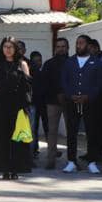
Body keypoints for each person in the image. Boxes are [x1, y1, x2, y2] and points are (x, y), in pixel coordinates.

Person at [61, 34, 102, 174]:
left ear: (88, 45)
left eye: (81, 43)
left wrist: (89, 96)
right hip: (72, 102)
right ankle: (71, 161)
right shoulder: (69, 61)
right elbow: (64, 81)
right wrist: (70, 95)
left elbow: (100, 83)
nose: (78, 45)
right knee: (72, 132)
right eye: (77, 43)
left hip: (90, 103)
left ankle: (92, 161)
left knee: (91, 131)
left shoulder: (96, 62)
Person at [0, 36, 33, 179]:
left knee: (17, 140)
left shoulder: (22, 64)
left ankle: (16, 169)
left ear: (15, 49)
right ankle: (4, 169)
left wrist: (26, 107)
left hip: (18, 106)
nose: (8, 49)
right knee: (2, 139)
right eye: (5, 47)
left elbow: (28, 88)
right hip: (1, 106)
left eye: (10, 47)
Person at [39, 38, 70, 170]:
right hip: (52, 102)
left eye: (63, 46)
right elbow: (44, 83)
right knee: (52, 131)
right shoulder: (49, 64)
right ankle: (50, 159)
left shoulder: (72, 62)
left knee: (72, 132)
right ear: (55, 48)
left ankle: (72, 160)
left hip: (70, 101)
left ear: (68, 48)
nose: (61, 49)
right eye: (58, 46)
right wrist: (57, 93)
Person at [28, 50, 47, 158]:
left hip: (43, 103)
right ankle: (32, 151)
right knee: (33, 129)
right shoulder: (30, 73)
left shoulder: (43, 72)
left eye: (39, 61)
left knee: (44, 127)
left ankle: (35, 150)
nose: (38, 63)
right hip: (33, 104)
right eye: (35, 61)